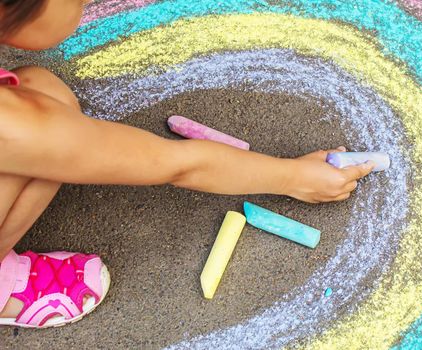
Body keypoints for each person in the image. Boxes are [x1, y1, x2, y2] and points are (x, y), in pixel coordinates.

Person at [0, 0, 374, 328]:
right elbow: (176, 164)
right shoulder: (13, 126)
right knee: (43, 126)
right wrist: (292, 177)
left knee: (44, 93)